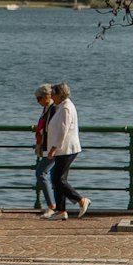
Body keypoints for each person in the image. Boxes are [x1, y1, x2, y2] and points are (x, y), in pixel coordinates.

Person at [42, 82, 91, 219]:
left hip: (67, 149)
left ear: (60, 95)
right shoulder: (61, 106)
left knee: (58, 179)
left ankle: (81, 200)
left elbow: (63, 131)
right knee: (58, 179)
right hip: (62, 149)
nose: (51, 97)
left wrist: (53, 148)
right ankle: (61, 210)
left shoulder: (66, 109)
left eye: (53, 94)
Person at [32, 83, 56, 214]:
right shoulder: (47, 109)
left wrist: (52, 149)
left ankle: (52, 206)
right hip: (49, 147)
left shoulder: (53, 109)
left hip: (53, 148)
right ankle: (56, 206)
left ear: (47, 96)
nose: (38, 102)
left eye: (39, 98)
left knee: (41, 173)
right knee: (57, 178)